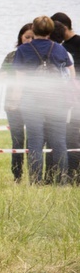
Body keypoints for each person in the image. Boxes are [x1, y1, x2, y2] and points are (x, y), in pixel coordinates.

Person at [12, 15, 73, 185]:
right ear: (50, 31)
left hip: (32, 101)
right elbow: (71, 76)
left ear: (35, 30)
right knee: (59, 142)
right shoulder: (60, 50)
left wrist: (16, 101)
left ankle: (36, 181)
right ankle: (61, 181)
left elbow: (19, 81)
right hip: (57, 101)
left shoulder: (23, 51)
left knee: (35, 142)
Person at [0, 23, 34, 182]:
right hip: (12, 104)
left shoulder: (38, 56)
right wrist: (5, 76)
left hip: (33, 104)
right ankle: (17, 174)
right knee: (17, 139)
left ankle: (35, 173)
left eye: (33, 37)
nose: (29, 40)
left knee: (34, 139)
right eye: (27, 37)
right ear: (20, 37)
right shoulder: (11, 56)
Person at [50, 12, 80, 182]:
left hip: (74, 97)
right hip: (65, 97)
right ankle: (64, 173)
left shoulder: (76, 43)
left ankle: (75, 174)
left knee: (73, 137)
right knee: (64, 136)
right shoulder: (60, 46)